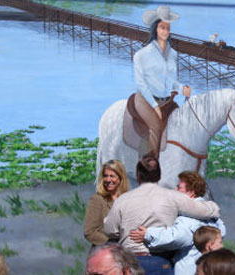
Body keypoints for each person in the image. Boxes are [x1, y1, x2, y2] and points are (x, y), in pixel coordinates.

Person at [103, 155, 220, 274]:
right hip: (161, 262)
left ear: (138, 175)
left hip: (130, 263)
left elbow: (109, 230)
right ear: (159, 175)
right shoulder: (173, 197)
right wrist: (214, 207)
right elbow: (205, 211)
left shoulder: (122, 200)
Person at [128, 171, 225, 275]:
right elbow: (222, 230)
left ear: (191, 192)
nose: (175, 190)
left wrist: (148, 234)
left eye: (179, 188)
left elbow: (175, 237)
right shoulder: (210, 214)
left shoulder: (191, 218)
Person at [133, 6, 192, 159]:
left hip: (166, 100)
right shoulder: (142, 55)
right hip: (146, 99)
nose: (166, 31)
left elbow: (171, 83)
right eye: (162, 27)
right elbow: (141, 84)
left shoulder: (173, 54)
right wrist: (154, 106)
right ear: (155, 29)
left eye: (168, 28)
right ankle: (151, 165)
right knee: (155, 127)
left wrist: (181, 88)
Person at [84, 160, 129, 246]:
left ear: (120, 178)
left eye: (112, 176)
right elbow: (89, 232)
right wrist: (112, 244)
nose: (108, 180)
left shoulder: (128, 200)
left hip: (126, 251)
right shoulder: (97, 200)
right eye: (105, 176)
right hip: (104, 251)